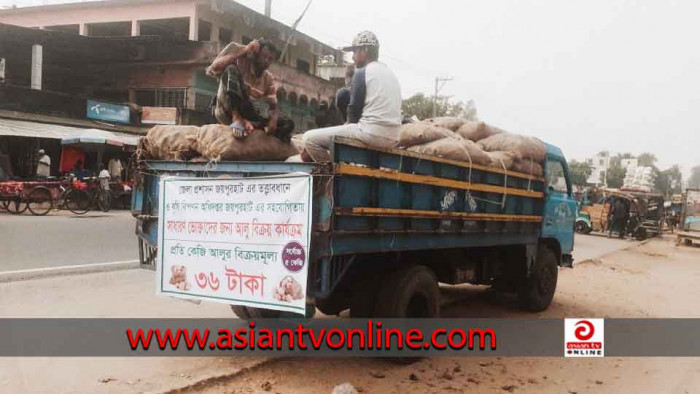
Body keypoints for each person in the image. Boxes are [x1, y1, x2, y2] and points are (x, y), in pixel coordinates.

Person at [302, 31, 402, 162]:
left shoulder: (362, 72)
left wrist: (344, 128)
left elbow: (354, 112)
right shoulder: (390, 73)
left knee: (309, 138)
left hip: (370, 133)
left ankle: (330, 176)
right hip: (393, 137)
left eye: (355, 52)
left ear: (364, 50)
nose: (353, 58)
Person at [206, 38, 294, 142]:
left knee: (288, 123)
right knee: (231, 69)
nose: (266, 61)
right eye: (264, 56)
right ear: (256, 54)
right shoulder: (240, 60)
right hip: (228, 110)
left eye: (270, 59)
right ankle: (237, 119)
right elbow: (213, 69)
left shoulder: (268, 78)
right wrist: (247, 49)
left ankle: (248, 124)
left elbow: (273, 106)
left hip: (248, 112)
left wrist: (273, 120)